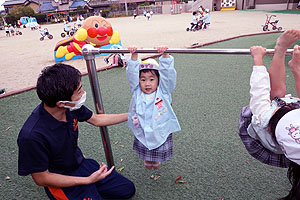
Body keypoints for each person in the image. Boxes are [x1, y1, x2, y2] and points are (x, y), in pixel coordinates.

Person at [17, 63, 135, 199]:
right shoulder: (32, 135)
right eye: (79, 91)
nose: (83, 94)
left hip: (81, 164)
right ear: (61, 103)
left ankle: (92, 191)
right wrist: (88, 180)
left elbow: (96, 119)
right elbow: (41, 178)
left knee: (127, 189)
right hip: (60, 179)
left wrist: (132, 115)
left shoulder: (71, 107)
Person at [238, 29, 300, 199]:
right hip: (285, 129)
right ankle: (296, 68)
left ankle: (280, 49)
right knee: (278, 95)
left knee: (276, 93)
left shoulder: (264, 118)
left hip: (261, 135)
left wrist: (257, 58)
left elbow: (259, 89)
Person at [125, 46, 181, 170]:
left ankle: (156, 161)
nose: (147, 83)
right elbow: (132, 74)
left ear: (158, 80)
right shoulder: (137, 91)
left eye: (152, 79)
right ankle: (147, 158)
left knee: (158, 145)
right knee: (144, 143)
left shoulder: (163, 92)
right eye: (143, 80)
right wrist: (134, 56)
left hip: (159, 127)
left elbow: (167, 75)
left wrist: (165, 57)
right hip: (143, 127)